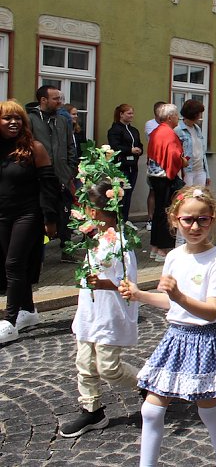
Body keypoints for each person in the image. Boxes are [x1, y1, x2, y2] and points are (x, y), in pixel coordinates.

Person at [119, 186, 216, 467]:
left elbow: (211, 312)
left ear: (213, 220)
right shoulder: (174, 257)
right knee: (151, 410)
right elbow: (170, 303)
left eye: (203, 219)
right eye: (188, 219)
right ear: (174, 219)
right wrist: (139, 295)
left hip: (205, 341)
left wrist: (179, 296)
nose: (195, 226)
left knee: (209, 412)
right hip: (175, 338)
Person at [59, 179, 139, 438]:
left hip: (109, 313)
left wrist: (102, 282)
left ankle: (149, 382)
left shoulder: (121, 244)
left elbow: (127, 284)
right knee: (84, 362)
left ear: (94, 211)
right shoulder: (97, 237)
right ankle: (92, 410)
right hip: (90, 312)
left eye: (85, 208)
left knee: (108, 368)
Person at [0, 101, 59, 344]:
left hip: (28, 214)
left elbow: (49, 187)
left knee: (14, 265)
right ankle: (29, 311)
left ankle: (9, 321)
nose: (13, 122)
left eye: (18, 119)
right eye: (7, 118)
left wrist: (51, 219)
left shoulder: (35, 148)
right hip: (2, 214)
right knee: (11, 264)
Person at [27, 85, 75, 262]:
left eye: (60, 98)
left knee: (65, 214)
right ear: (43, 100)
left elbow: (71, 146)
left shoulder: (62, 120)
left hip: (62, 175)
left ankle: (67, 250)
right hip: (40, 177)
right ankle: (38, 254)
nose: (60, 102)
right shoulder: (31, 119)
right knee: (42, 216)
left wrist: (70, 169)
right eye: (55, 99)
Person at [146, 104, 187, 262]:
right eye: (176, 115)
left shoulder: (158, 130)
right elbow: (173, 155)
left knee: (158, 212)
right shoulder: (168, 132)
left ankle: (155, 247)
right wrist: (183, 161)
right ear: (170, 117)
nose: (178, 118)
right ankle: (162, 250)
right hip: (165, 176)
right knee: (166, 211)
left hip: (156, 175)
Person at [107, 104, 144, 221]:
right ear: (121, 114)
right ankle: (118, 221)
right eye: (129, 113)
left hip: (133, 167)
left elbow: (139, 143)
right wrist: (130, 150)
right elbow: (115, 146)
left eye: (132, 113)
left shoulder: (134, 130)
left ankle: (125, 220)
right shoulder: (115, 130)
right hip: (122, 167)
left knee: (128, 195)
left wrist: (139, 150)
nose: (131, 116)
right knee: (121, 195)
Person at [175, 99, 210, 187]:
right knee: (187, 197)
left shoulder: (197, 128)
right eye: (199, 113)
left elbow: (202, 152)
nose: (201, 116)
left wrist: (207, 174)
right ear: (194, 114)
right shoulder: (178, 130)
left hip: (200, 170)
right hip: (187, 171)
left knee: (199, 197)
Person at [143, 102, 167, 231]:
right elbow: (155, 139)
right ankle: (151, 218)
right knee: (153, 191)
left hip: (167, 164)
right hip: (154, 164)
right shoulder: (151, 124)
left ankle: (163, 218)